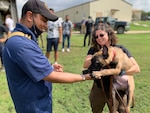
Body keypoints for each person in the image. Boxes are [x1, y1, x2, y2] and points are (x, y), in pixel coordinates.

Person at [2, 0, 92, 113]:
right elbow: (50, 76)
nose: (46, 26)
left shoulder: (24, 39)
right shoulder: (21, 44)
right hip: (34, 108)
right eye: (44, 20)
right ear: (30, 16)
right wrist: (85, 77)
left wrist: (49, 67)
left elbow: (29, 67)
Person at [83, 23, 140, 113]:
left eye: (101, 35)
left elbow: (136, 68)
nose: (99, 38)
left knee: (122, 110)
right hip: (99, 86)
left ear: (109, 34)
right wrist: (98, 56)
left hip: (118, 86)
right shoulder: (94, 50)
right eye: (96, 36)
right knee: (96, 109)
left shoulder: (120, 49)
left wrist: (122, 71)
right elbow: (85, 64)